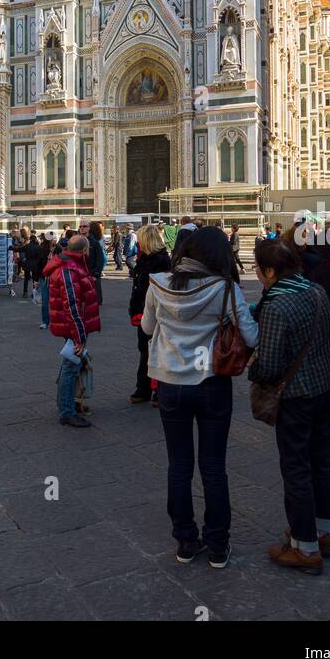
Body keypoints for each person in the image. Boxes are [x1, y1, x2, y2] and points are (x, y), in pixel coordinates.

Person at [140, 226, 257, 567]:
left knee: (178, 465)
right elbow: (251, 337)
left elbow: (147, 328)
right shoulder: (225, 289)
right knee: (213, 467)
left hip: (170, 383)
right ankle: (218, 546)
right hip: (210, 383)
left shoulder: (158, 284)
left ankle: (186, 542)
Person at [249, 239, 330, 574]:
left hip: (298, 396)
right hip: (327, 385)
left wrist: (252, 370)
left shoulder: (277, 306)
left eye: (258, 268)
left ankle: (304, 548)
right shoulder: (314, 290)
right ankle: (323, 532)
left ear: (270, 271)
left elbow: (271, 366)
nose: (256, 274)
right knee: (321, 461)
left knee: (296, 468)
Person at [46, 234, 100, 428]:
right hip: (72, 326)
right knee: (71, 367)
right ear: (84, 250)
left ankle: (66, 405)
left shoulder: (69, 265)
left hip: (70, 325)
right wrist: (79, 336)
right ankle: (67, 411)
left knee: (70, 365)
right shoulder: (69, 269)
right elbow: (72, 305)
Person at [128, 223, 171, 404]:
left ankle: (157, 390)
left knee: (156, 351)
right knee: (144, 350)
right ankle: (145, 387)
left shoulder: (162, 261)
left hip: (156, 312)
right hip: (142, 312)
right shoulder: (145, 258)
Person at [87, 221, 106, 307]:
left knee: (95, 283)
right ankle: (99, 299)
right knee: (97, 283)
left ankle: (98, 299)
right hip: (97, 263)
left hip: (94, 264)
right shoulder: (99, 237)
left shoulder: (94, 241)